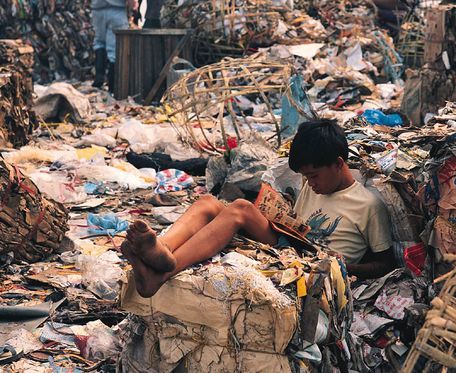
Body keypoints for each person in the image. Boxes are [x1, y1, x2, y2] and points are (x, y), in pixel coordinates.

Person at [121, 119, 395, 298]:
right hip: (292, 243)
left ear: (338, 164)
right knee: (207, 203)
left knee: (240, 208)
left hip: (314, 262)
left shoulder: (368, 205)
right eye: (306, 177)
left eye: (314, 176)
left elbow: (385, 262)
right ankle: (161, 251)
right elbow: (296, 223)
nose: (309, 184)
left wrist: (350, 265)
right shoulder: (315, 186)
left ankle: (163, 271)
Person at [91, 0, 138, 93]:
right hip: (117, 11)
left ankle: (99, 77)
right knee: (115, 48)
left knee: (99, 42)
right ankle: (113, 85)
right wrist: (134, 6)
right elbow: (132, 2)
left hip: (97, 11)